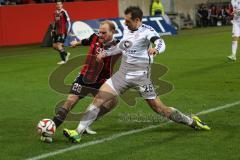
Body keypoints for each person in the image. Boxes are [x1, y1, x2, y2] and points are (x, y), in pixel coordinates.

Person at [63, 6, 211, 143]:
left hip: (141, 77)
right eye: (124, 20)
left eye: (128, 21)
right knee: (99, 98)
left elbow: (160, 42)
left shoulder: (147, 31)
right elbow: (123, 46)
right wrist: (106, 53)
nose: (125, 23)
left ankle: (191, 121)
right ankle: (77, 132)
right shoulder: (127, 30)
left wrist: (156, 50)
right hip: (122, 74)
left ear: (137, 20)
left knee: (160, 109)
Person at [41, 20, 120, 143]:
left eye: (104, 33)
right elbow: (86, 41)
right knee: (70, 101)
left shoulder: (118, 46)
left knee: (112, 102)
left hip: (102, 81)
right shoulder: (95, 37)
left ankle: (86, 122)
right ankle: (49, 129)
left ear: (113, 32)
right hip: (84, 77)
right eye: (99, 32)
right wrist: (76, 43)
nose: (100, 35)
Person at [51, 0, 71, 65]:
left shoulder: (64, 12)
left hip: (63, 31)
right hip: (57, 31)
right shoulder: (55, 13)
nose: (59, 5)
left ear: (62, 5)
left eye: (60, 4)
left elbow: (69, 22)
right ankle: (66, 53)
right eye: (58, 4)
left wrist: (68, 30)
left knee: (59, 45)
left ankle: (64, 60)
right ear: (56, 5)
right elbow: (54, 22)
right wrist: (53, 29)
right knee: (54, 46)